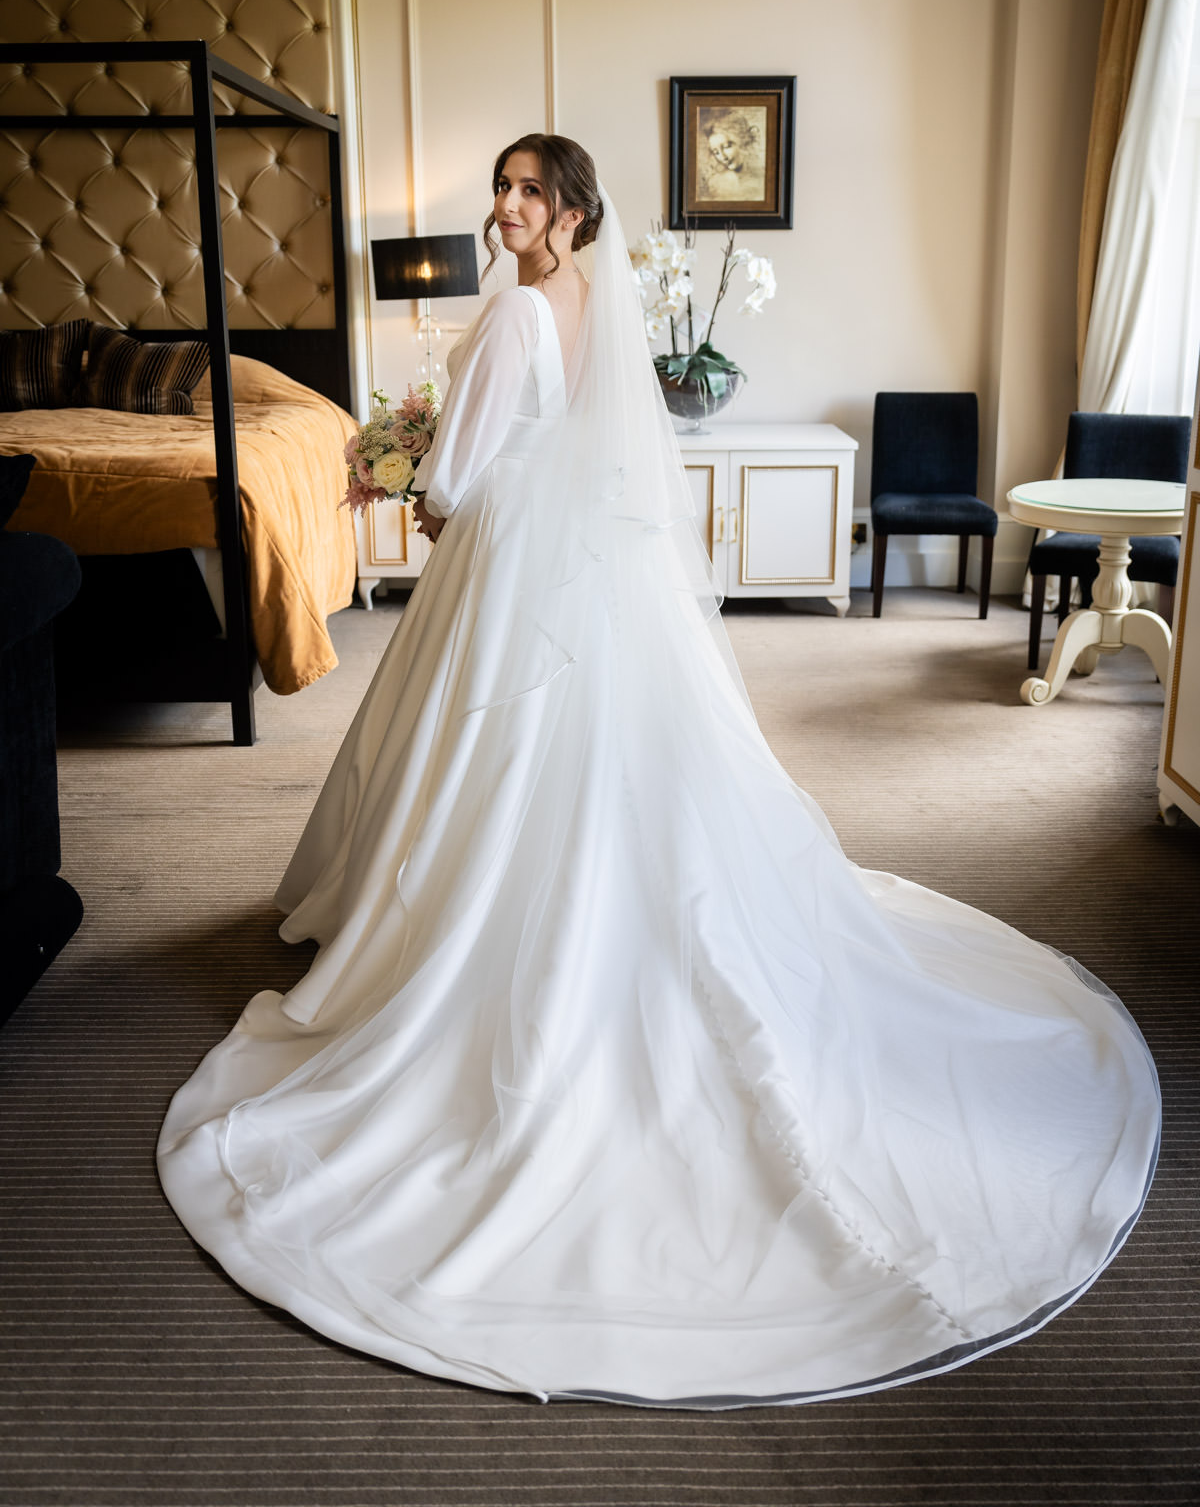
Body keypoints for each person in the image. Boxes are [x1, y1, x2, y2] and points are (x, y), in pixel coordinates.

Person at [158, 135, 1159, 1409]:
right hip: (586, 561)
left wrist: (415, 477)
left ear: (569, 214)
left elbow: (460, 477)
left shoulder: (520, 305)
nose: (508, 207)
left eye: (530, 191)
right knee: (592, 754)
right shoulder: (587, 301)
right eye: (505, 190)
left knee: (483, 748)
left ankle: (454, 923)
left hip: (513, 557)